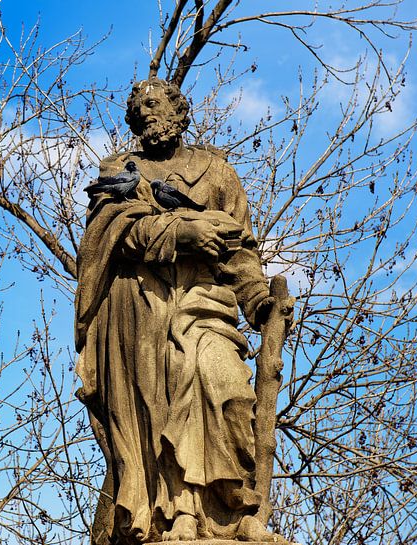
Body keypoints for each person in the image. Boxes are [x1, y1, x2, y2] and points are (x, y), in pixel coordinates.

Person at [75, 78, 282, 543]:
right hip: (141, 311)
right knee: (162, 403)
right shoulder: (120, 169)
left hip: (205, 303)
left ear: (178, 111)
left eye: (155, 104)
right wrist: (179, 234)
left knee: (229, 389)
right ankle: (180, 512)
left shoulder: (216, 172)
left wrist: (257, 299)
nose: (148, 114)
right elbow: (107, 237)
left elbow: (240, 247)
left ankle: (232, 507)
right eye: (139, 109)